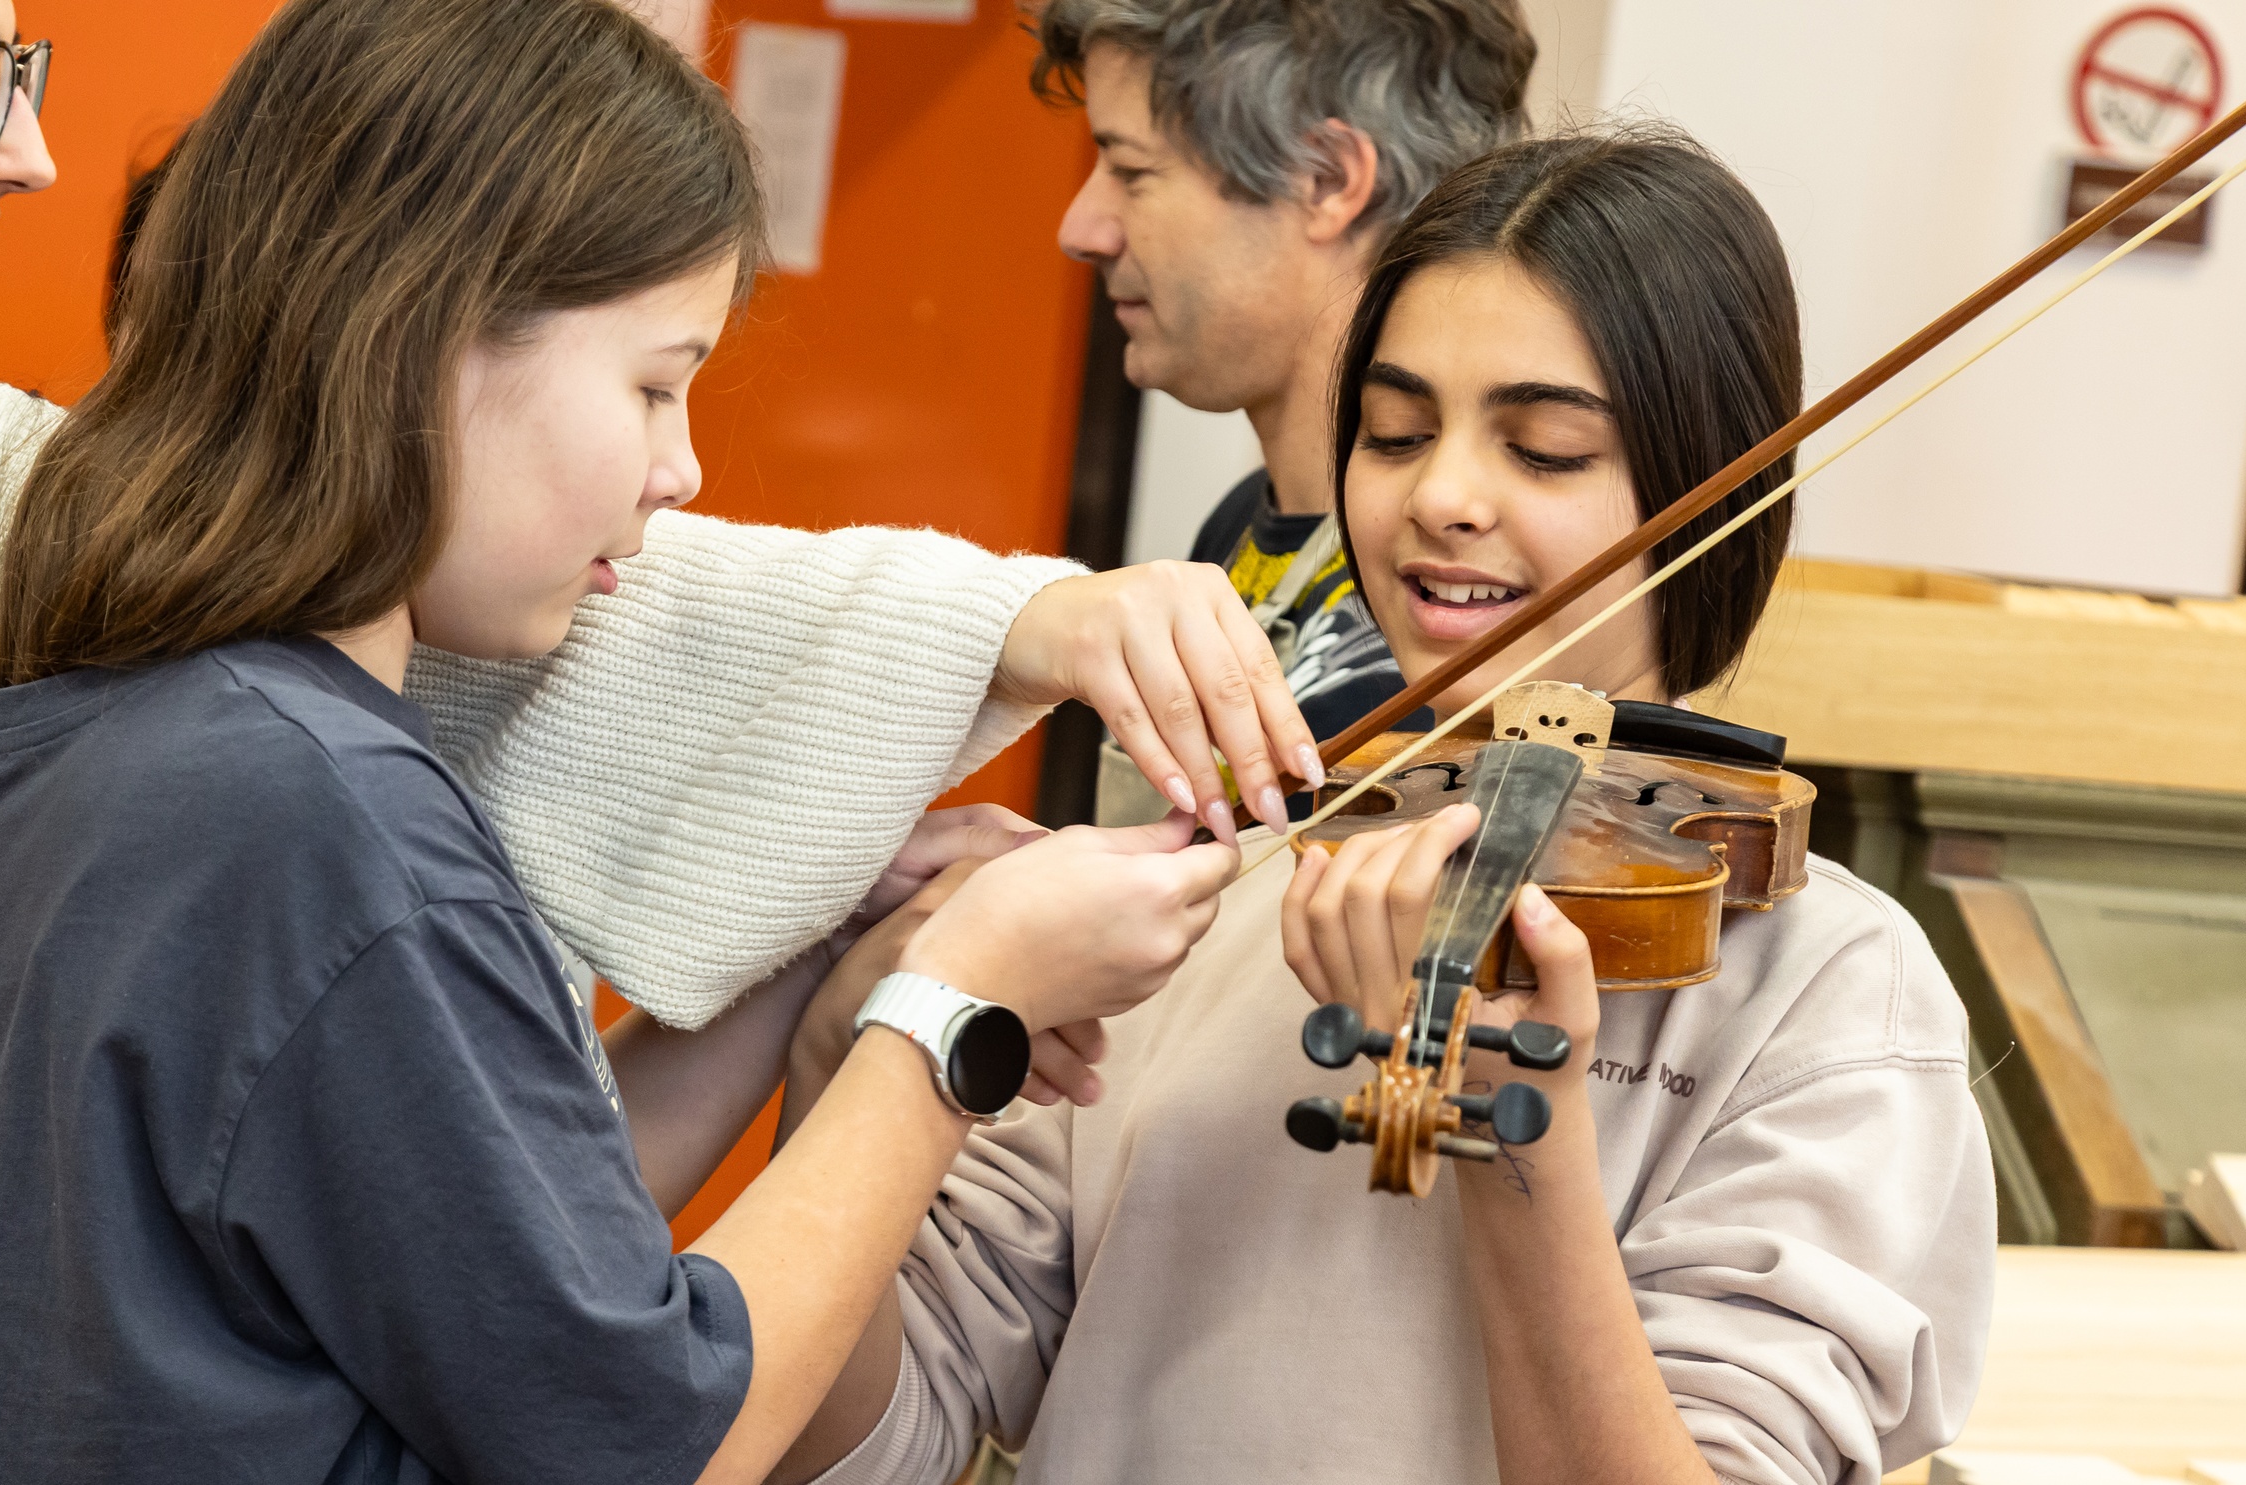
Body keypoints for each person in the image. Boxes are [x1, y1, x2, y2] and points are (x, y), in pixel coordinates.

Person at [0, 0, 1314, 1473]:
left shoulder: (129, 712)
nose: (684, 473)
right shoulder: (319, 817)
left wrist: (825, 962)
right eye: (657, 387)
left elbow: (489, 1264)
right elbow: (656, 1430)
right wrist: (964, 1011)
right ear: (429, 337)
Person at [771, 129, 1997, 1485]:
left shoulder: (1830, 992)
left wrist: (1507, 1124)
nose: (1440, 498)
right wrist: (862, 1047)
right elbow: (875, 1438)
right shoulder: (1208, 894)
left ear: (1709, 482)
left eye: (1542, 451)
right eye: (1397, 432)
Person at [1032, 0, 1538, 824]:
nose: (1082, 228)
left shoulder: (1446, 591)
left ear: (1328, 179)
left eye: (1131, 171)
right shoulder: (1242, 522)